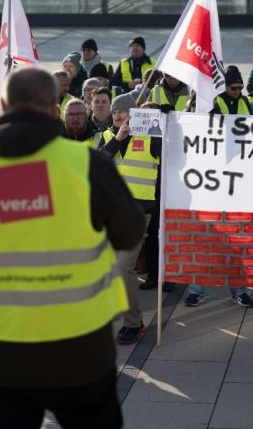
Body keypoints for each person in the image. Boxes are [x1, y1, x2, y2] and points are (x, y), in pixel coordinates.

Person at [0, 67, 142, 428]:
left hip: (4, 350)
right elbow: (129, 233)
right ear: (55, 108)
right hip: (80, 347)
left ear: (2, 105)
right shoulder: (87, 164)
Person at [99, 94, 159, 344]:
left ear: (134, 114)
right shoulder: (106, 136)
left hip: (139, 213)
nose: (116, 115)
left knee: (124, 267)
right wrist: (117, 140)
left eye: (122, 111)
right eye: (114, 112)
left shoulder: (151, 137)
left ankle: (133, 323)